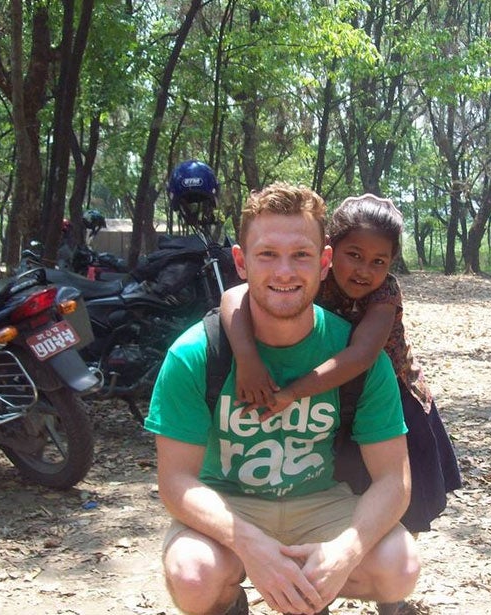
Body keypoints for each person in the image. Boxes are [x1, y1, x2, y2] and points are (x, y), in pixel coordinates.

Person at [145, 183, 419, 615]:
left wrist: (345, 550)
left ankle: (310, 592)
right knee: (193, 575)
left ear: (324, 262)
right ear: (241, 261)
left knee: (400, 568)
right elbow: (175, 482)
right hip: (229, 501)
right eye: (267, 254)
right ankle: (228, 601)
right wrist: (247, 543)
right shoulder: (194, 354)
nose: (285, 272)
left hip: (321, 499)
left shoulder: (362, 356)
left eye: (302, 255)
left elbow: (393, 480)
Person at [221, 193, 462, 535]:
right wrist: (247, 359)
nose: (365, 270)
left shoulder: (385, 295)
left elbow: (361, 356)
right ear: (328, 253)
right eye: (354, 256)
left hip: (388, 398)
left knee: (401, 496)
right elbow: (234, 296)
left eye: (379, 262)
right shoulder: (311, 278)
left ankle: (392, 559)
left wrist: (292, 392)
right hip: (332, 397)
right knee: (341, 492)